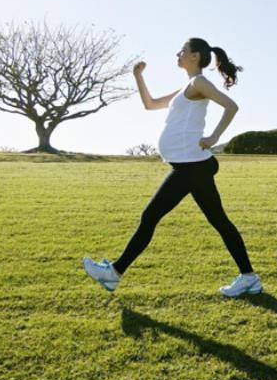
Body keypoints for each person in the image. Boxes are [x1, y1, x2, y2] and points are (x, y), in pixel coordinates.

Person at [83, 37, 262, 297]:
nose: (178, 54)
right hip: (191, 166)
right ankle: (249, 278)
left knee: (150, 216)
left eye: (183, 51)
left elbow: (231, 107)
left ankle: (114, 273)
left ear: (195, 57)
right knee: (219, 221)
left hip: (190, 166)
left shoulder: (199, 82)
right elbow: (151, 104)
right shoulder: (187, 87)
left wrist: (213, 138)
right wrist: (138, 76)